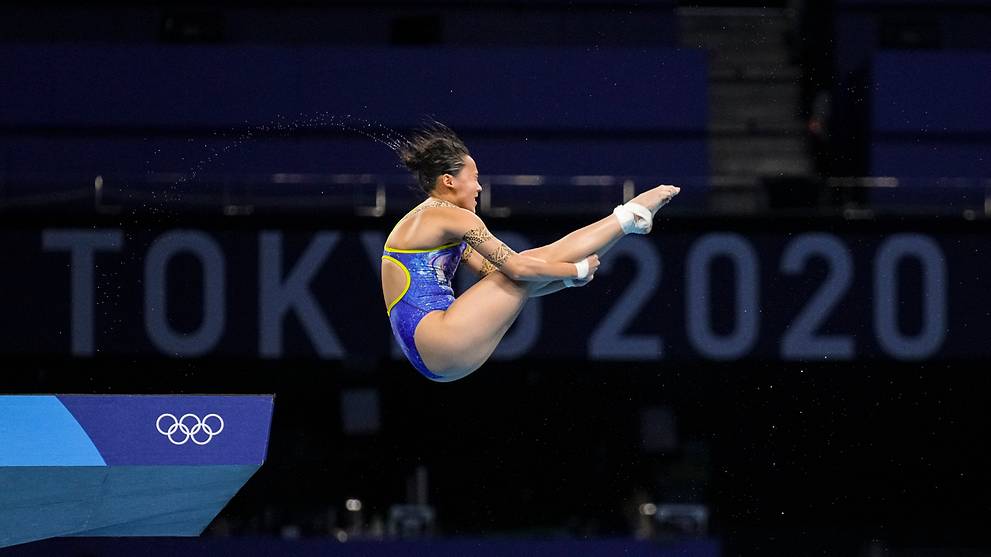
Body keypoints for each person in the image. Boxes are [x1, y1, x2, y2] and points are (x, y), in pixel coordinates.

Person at [382, 124, 679, 382]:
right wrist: (574, 271)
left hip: (437, 356)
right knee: (531, 260)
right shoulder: (449, 216)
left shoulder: (435, 223)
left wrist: (566, 280)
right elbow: (519, 270)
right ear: (448, 180)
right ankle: (629, 216)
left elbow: (517, 283)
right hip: (442, 340)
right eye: (473, 178)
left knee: (531, 265)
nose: (478, 188)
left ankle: (628, 222)